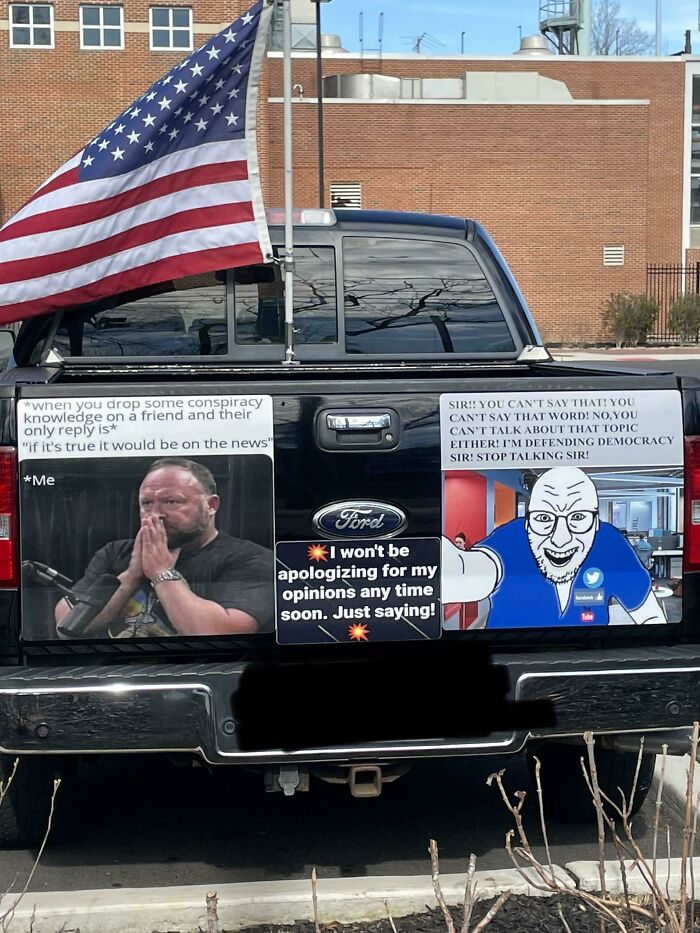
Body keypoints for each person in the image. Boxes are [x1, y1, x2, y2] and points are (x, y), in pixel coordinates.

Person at [54, 457, 274, 638]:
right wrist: (131, 576)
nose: (155, 514)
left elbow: (219, 633)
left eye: (171, 502)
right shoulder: (115, 553)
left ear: (211, 506)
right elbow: (66, 626)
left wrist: (161, 573)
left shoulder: (250, 559)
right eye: (147, 503)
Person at [442, 466, 665, 628]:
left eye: (577, 517)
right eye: (544, 518)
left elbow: (650, 616)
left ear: (596, 524)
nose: (560, 539)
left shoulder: (610, 544)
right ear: (528, 524)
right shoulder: (512, 538)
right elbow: (475, 568)